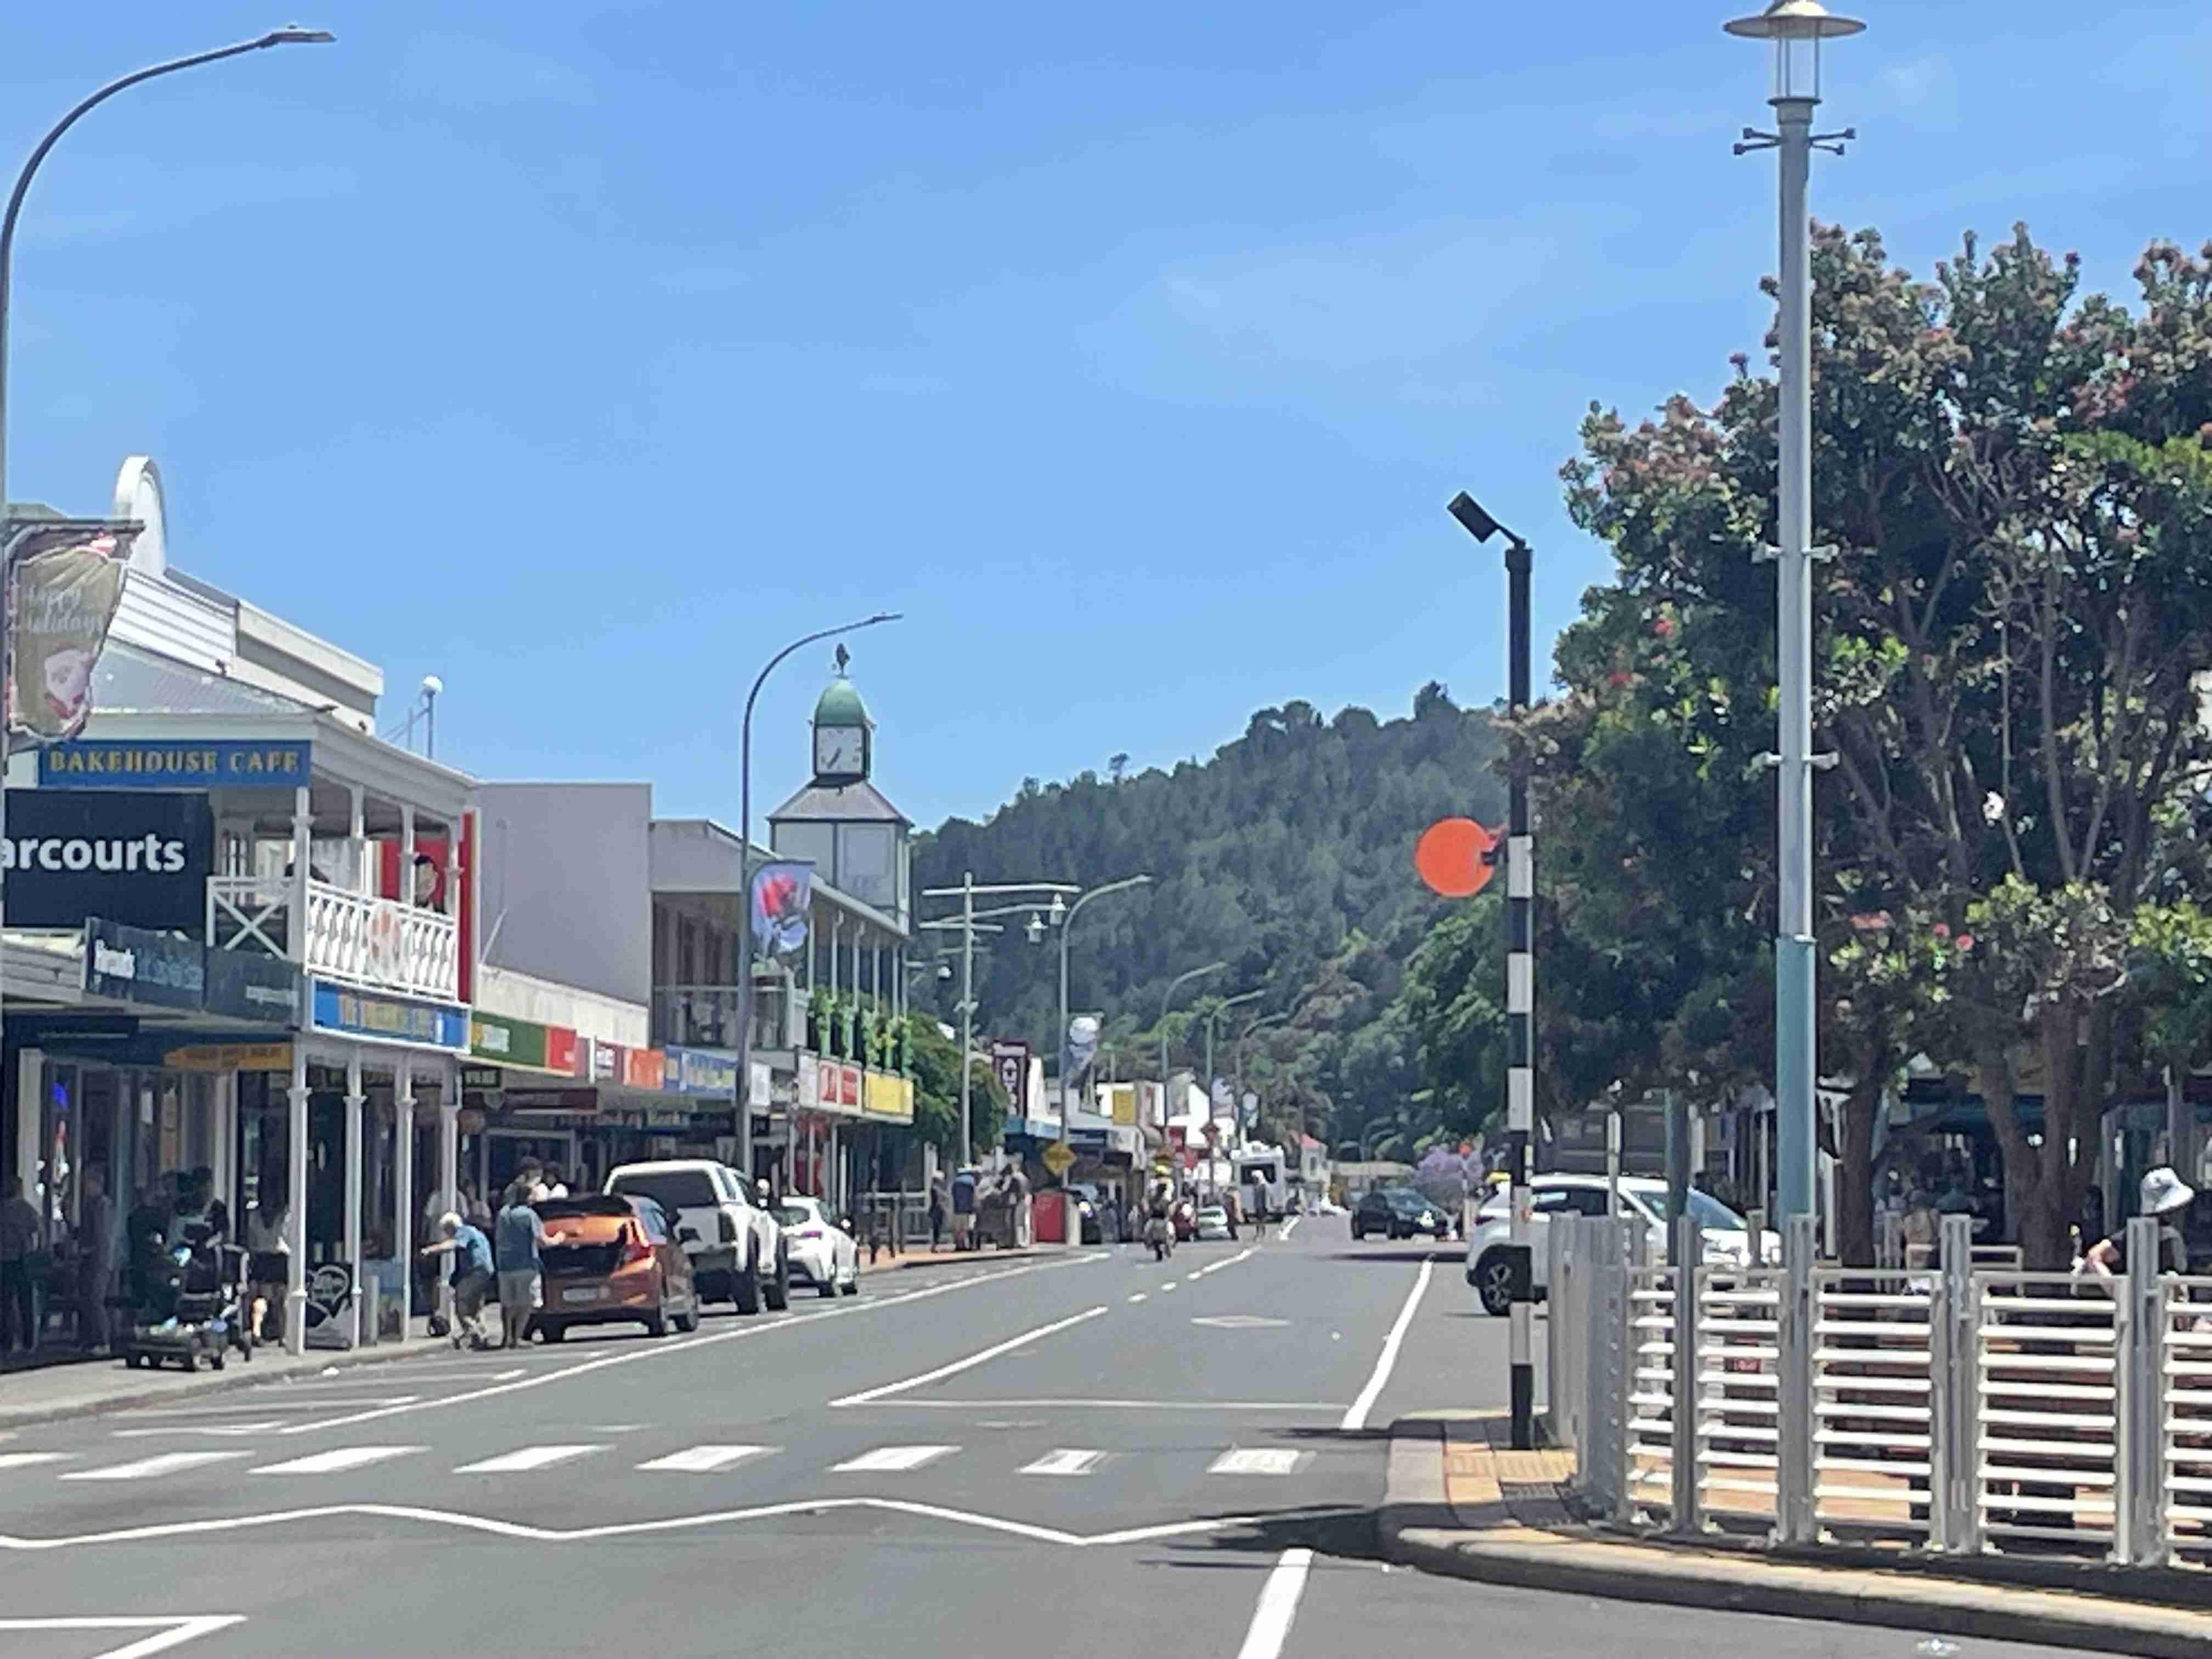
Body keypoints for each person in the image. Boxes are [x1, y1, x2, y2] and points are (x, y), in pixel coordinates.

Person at [2082, 1166, 2196, 1280]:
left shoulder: (2135, 1234)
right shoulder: (2135, 1235)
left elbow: (2094, 1256)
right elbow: (2094, 1257)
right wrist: (2117, 1289)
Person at [419, 1211, 494, 1348]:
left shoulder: (464, 1232)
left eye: (446, 1230)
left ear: (451, 1226)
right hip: (486, 1271)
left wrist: (430, 1250)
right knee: (476, 1308)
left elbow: (453, 1244)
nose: (446, 1234)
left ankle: (475, 1333)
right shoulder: (476, 1232)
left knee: (462, 1306)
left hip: (475, 1271)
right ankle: (481, 1336)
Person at [494, 1181, 550, 1348]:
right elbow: (541, 1240)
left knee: (508, 1304)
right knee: (525, 1304)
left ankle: (507, 1337)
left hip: (504, 1265)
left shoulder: (503, 1213)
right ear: (528, 1196)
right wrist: (559, 1239)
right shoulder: (529, 1215)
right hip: (526, 1265)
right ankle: (517, 1337)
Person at [76, 1169, 116, 1354]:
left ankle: (103, 1341)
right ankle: (89, 1340)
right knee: (87, 1300)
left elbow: (101, 1234)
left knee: (95, 1300)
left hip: (99, 1260)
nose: (86, 1188)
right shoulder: (91, 1205)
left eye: (88, 1184)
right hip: (91, 1259)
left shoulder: (102, 1205)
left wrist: (89, 1248)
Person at [1, 1175, 41, 1355]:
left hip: (4, 1258)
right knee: (26, 1301)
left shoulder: (3, 1209)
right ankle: (28, 1341)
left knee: (6, 1302)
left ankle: (7, 1341)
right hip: (23, 1258)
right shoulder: (26, 1209)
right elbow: (37, 1227)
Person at [928, 1176, 949, 1251]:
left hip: (938, 1210)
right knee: (937, 1229)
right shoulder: (935, 1189)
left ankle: (935, 1246)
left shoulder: (938, 1189)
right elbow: (937, 1201)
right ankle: (934, 1246)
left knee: (937, 1229)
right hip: (937, 1211)